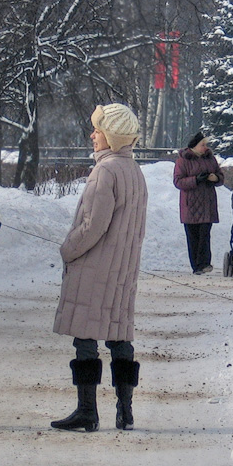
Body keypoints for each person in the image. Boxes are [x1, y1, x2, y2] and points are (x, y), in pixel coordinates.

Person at [51, 103, 148, 432]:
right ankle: (125, 411)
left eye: (98, 131)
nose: (93, 135)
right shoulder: (134, 171)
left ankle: (87, 410)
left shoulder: (105, 171)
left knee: (86, 337)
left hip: (95, 268)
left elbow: (93, 226)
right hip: (122, 270)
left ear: (112, 137)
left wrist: (68, 250)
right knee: (119, 335)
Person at [173, 131, 224, 274]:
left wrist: (215, 178)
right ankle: (196, 266)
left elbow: (220, 176)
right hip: (190, 205)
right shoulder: (183, 160)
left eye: (206, 145)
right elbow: (178, 181)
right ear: (195, 146)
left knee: (205, 235)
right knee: (193, 236)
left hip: (207, 203)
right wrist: (196, 180)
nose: (205, 147)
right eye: (203, 145)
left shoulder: (210, 159)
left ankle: (205, 263)